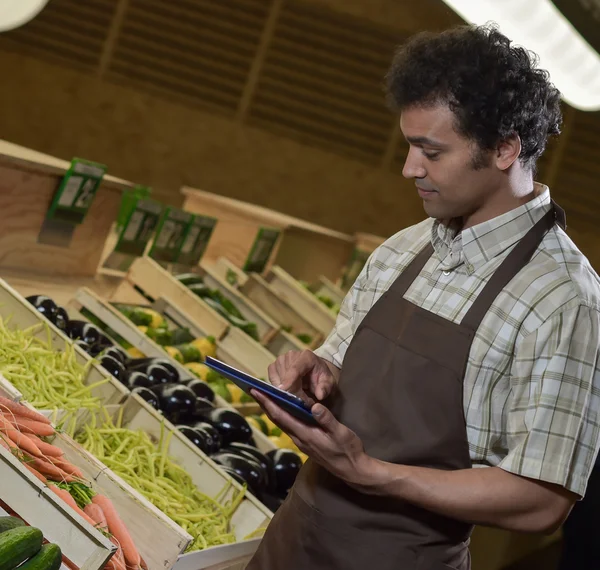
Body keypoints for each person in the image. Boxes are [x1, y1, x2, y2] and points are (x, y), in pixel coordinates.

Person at [246, 24, 600, 570]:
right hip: (292, 541)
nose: (410, 167)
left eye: (430, 151)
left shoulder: (562, 300)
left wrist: (374, 473)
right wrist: (316, 373)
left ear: (506, 147)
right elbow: (342, 361)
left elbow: (542, 500)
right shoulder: (405, 248)